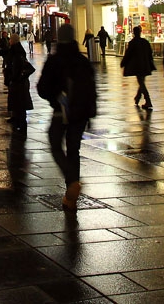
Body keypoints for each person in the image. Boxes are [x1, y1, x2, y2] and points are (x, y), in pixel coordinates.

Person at [36, 23, 97, 210]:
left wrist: (56, 97)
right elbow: (92, 89)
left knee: (55, 144)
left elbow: (42, 88)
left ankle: (71, 182)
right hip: (81, 113)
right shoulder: (82, 60)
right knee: (73, 150)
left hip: (61, 112)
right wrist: (91, 113)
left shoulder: (54, 60)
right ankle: (71, 197)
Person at [121, 25, 155, 110]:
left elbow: (128, 54)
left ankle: (148, 100)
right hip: (145, 65)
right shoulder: (145, 42)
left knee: (141, 82)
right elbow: (150, 53)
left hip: (137, 65)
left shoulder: (133, 42)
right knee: (141, 81)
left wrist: (123, 63)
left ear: (133, 33)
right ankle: (138, 97)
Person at [6, 33, 35, 130]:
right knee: (18, 103)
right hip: (19, 82)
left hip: (18, 82)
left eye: (10, 39)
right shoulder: (16, 50)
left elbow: (15, 68)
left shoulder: (16, 53)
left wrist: (12, 77)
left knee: (19, 103)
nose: (9, 41)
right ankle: (17, 120)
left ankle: (21, 124)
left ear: (13, 41)